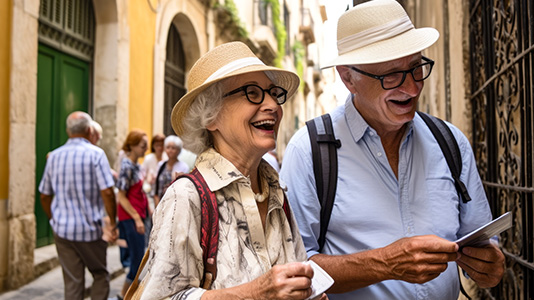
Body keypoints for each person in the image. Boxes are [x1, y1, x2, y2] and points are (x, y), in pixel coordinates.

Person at [280, 1, 505, 299]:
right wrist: (384, 264)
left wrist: (489, 266)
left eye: (415, 69)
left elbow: (484, 247)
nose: (412, 89)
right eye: (392, 75)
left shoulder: (450, 141)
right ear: (348, 78)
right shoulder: (308, 151)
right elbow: (293, 271)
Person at [136, 41, 326, 300]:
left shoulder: (275, 190)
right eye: (252, 92)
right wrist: (255, 293)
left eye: (273, 92)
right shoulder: (186, 197)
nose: (272, 105)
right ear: (210, 116)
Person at [39, 111, 118, 300]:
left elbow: (44, 195)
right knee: (100, 274)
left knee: (73, 281)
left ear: (68, 131)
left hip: (63, 230)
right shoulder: (96, 154)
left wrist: (54, 218)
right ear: (89, 129)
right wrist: (112, 222)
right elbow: (107, 191)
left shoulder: (54, 156)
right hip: (90, 230)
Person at [116, 129, 149, 299]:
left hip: (138, 216)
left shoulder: (136, 165)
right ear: (133, 145)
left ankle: (126, 295)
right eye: (143, 146)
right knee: (137, 260)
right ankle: (124, 295)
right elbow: (121, 196)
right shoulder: (127, 166)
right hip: (130, 218)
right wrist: (137, 218)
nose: (146, 149)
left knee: (139, 259)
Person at [153, 135, 189, 207]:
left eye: (173, 148)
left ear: (178, 150)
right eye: (168, 147)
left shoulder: (183, 167)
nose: (170, 150)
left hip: (174, 204)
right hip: (160, 202)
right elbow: (156, 185)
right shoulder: (161, 165)